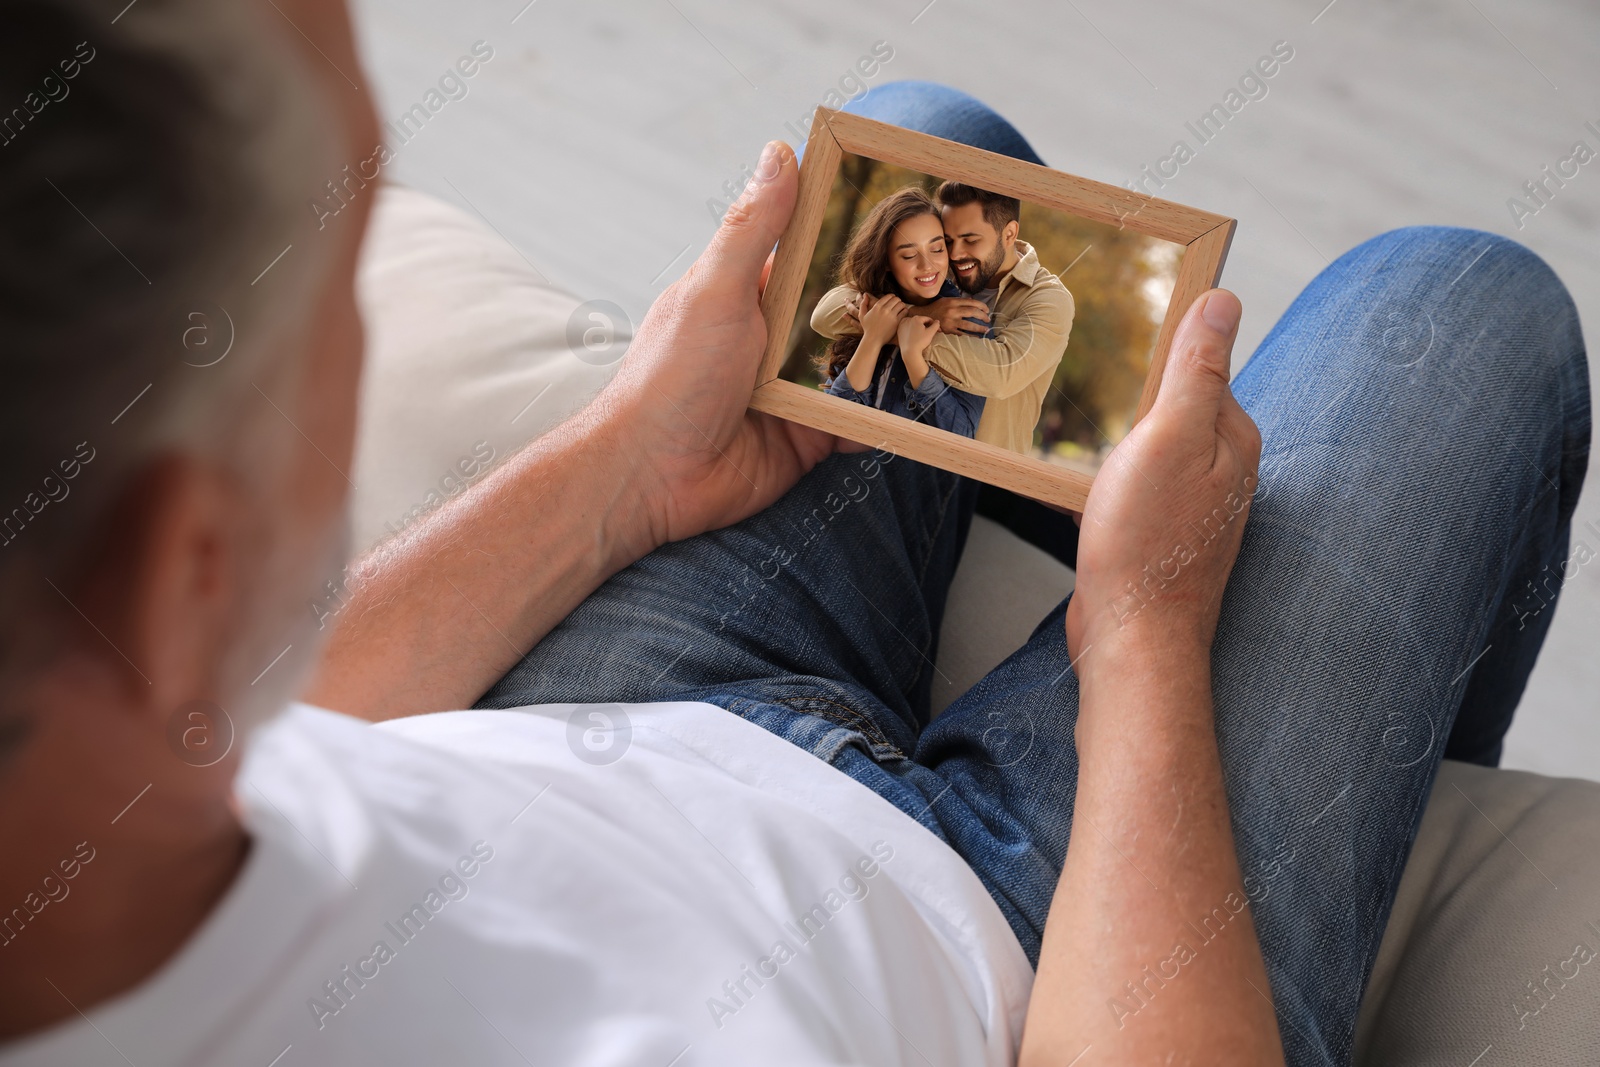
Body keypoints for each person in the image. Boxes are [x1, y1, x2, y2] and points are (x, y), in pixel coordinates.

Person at [0, 6, 1587, 1067]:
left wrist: (630, 463)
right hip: (1031, 954)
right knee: (1457, 311)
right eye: (331, 285)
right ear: (186, 566)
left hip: (618, 724)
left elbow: (239, 744)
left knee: (921, 130)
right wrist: (1148, 641)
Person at [812, 178, 1076, 454]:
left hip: (984, 478)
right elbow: (825, 312)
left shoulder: (1047, 297)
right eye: (947, 242)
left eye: (971, 240)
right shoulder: (938, 270)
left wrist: (903, 333)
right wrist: (920, 313)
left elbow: (1003, 374)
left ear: (1009, 234)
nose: (956, 253)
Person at [816, 186, 987, 438]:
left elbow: (962, 434)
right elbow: (832, 420)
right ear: (885, 260)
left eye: (937, 249)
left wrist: (913, 358)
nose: (927, 265)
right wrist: (873, 338)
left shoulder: (965, 319)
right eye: (908, 255)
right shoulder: (868, 308)